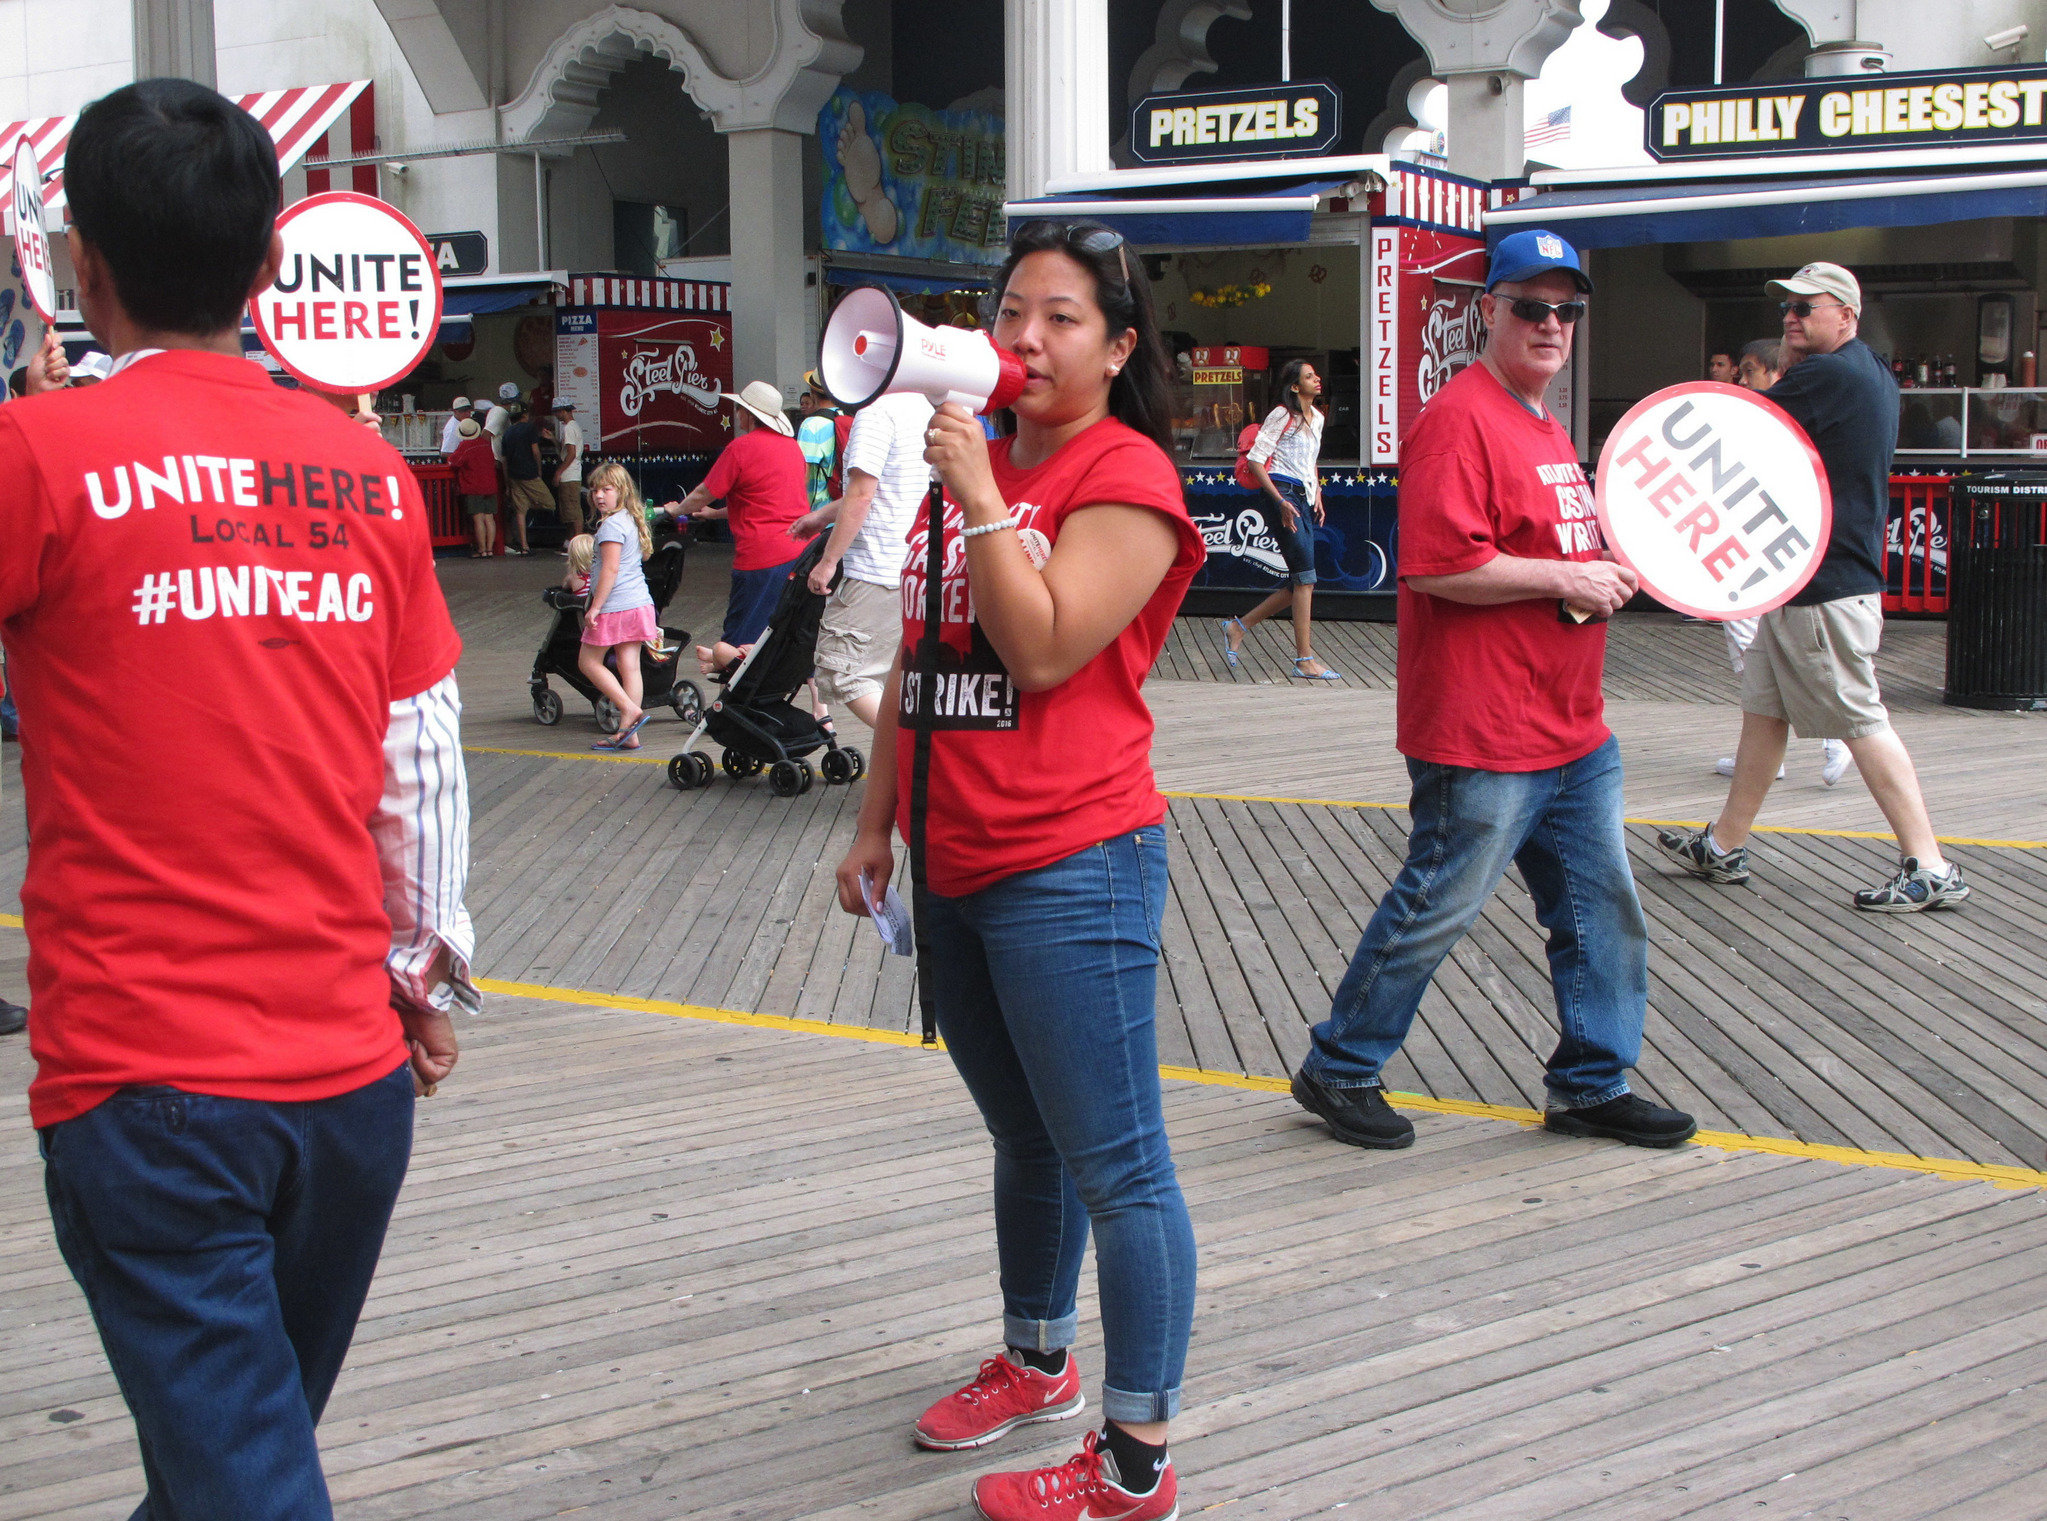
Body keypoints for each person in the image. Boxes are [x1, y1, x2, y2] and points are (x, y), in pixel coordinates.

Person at [0, 77, 475, 1514]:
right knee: (231, 1460)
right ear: (272, 270)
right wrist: (424, 975)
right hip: (347, 1090)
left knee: (239, 1477)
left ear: (85, 266)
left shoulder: (38, 457)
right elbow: (424, 759)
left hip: (148, 1091)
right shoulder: (371, 474)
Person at [835, 219, 1205, 1521]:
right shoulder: (969, 465)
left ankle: (1134, 1462)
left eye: (1058, 318)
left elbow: (1042, 648)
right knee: (1021, 1135)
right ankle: (1035, 1358)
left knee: (1120, 1164)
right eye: (1008, 313)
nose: (1024, 339)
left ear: (1115, 346)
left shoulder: (1129, 479)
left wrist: (983, 499)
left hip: (1073, 862)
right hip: (956, 858)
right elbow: (923, 662)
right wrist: (875, 821)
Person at [1289, 228, 1698, 1155]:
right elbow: (1437, 566)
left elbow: (1549, 549)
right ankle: (1341, 1064)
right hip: (1482, 727)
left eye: (1566, 310)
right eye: (1530, 306)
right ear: (1487, 312)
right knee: (1438, 901)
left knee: (1601, 912)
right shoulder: (1461, 417)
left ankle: (1592, 1081)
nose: (1550, 324)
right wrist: (1565, 580)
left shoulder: (1544, 422)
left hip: (1569, 727)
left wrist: (1602, 565)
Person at [1658, 262, 1968, 912]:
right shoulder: (1870, 372)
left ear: (1846, 316)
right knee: (1764, 713)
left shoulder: (1826, 375)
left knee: (1859, 716)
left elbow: (1736, 430)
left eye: (1807, 307)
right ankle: (1723, 845)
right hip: (1810, 579)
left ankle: (1929, 863)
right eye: (1786, 308)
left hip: (1824, 585)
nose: (1790, 318)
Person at [1714, 338, 1852, 788]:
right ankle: (1779, 751)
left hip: (1758, 553)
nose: (1741, 379)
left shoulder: (1775, 422)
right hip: (1756, 550)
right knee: (1760, 655)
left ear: (1775, 374)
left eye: (1750, 371)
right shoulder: (1771, 421)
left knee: (1760, 650)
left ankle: (1833, 739)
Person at [787, 388, 932, 728]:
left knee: (844, 675)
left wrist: (828, 561)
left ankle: (919, 754)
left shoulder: (878, 413)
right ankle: (913, 764)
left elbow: (862, 493)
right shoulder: (931, 407)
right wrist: (822, 517)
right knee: (898, 677)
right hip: (918, 567)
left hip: (876, 568)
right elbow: (884, 490)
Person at [659, 380, 809, 645]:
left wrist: (676, 510)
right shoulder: (793, 448)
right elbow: (764, 502)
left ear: (749, 415)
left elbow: (704, 493)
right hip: (800, 551)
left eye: (739, 409)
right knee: (787, 635)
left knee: (739, 637)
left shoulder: (740, 448)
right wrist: (713, 515)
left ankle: (732, 685)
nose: (737, 414)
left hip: (761, 556)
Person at [1219, 360, 1340, 679]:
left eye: (1316, 374)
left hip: (1303, 494)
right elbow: (1257, 461)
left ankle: (1238, 626)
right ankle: (1304, 660)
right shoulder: (1281, 415)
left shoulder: (1318, 419)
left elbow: (1310, 462)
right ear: (1294, 386)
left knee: (1301, 579)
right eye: (1309, 377)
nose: (1317, 379)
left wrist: (1318, 495)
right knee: (1306, 578)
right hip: (1282, 491)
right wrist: (1280, 500)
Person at [579, 462, 657, 751]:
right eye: (595, 490)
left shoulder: (611, 525)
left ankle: (629, 709)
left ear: (621, 491)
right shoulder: (630, 519)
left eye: (606, 490)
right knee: (630, 667)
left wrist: (595, 607)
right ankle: (629, 733)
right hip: (639, 603)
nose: (599, 495)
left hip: (615, 606)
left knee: (587, 662)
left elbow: (609, 570)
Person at [796, 368, 852, 511]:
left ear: (813, 394)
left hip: (818, 513)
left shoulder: (812, 425)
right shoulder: (846, 417)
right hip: (843, 509)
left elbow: (804, 472)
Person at [499, 403, 546, 556]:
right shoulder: (530, 428)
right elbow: (536, 452)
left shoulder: (507, 433)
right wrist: (539, 469)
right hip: (529, 474)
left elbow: (504, 460)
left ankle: (524, 545)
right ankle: (529, 506)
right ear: (525, 415)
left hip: (513, 476)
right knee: (549, 503)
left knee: (520, 511)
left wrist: (507, 483)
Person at [450, 415, 499, 557]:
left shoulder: (465, 446)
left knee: (478, 519)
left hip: (474, 487)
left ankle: (482, 550)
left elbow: (454, 462)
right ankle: (490, 550)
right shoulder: (485, 444)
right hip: (490, 485)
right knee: (489, 518)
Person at [550, 397, 586, 534]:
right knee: (569, 510)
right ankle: (571, 540)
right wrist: (553, 440)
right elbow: (566, 450)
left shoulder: (569, 428)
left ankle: (576, 541)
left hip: (570, 474)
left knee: (573, 509)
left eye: (557, 412)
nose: (556, 415)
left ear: (563, 411)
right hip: (572, 473)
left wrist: (559, 472)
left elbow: (571, 453)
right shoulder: (572, 427)